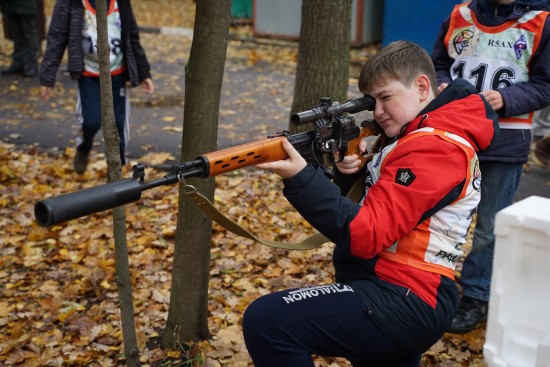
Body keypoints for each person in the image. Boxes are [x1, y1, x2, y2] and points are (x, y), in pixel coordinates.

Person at [242, 41, 498, 367]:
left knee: (268, 322)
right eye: (370, 101)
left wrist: (302, 177)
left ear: (421, 87)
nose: (376, 111)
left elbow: (367, 232)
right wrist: (352, 171)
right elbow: (383, 206)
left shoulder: (435, 147)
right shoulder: (415, 136)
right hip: (396, 289)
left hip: (405, 295)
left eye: (385, 97)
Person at [431, 0, 550, 333]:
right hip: (451, 135)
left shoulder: (541, 21)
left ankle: (476, 294)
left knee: (488, 228)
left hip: (504, 140)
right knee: (438, 216)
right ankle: (431, 282)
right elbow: (438, 63)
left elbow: (545, 85)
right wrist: (442, 84)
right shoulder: (460, 15)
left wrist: (508, 99)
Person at [39, 0, 154, 174]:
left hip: (117, 74)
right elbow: (56, 37)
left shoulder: (120, 3)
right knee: (91, 122)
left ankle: (116, 171)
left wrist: (144, 72)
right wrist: (47, 78)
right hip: (88, 75)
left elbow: (131, 35)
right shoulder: (71, 3)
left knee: (119, 125)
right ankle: (83, 148)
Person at [0, 0, 40, 77]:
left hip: (25, 5)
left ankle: (31, 65)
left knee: (29, 35)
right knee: (17, 35)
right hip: (10, 5)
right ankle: (18, 63)